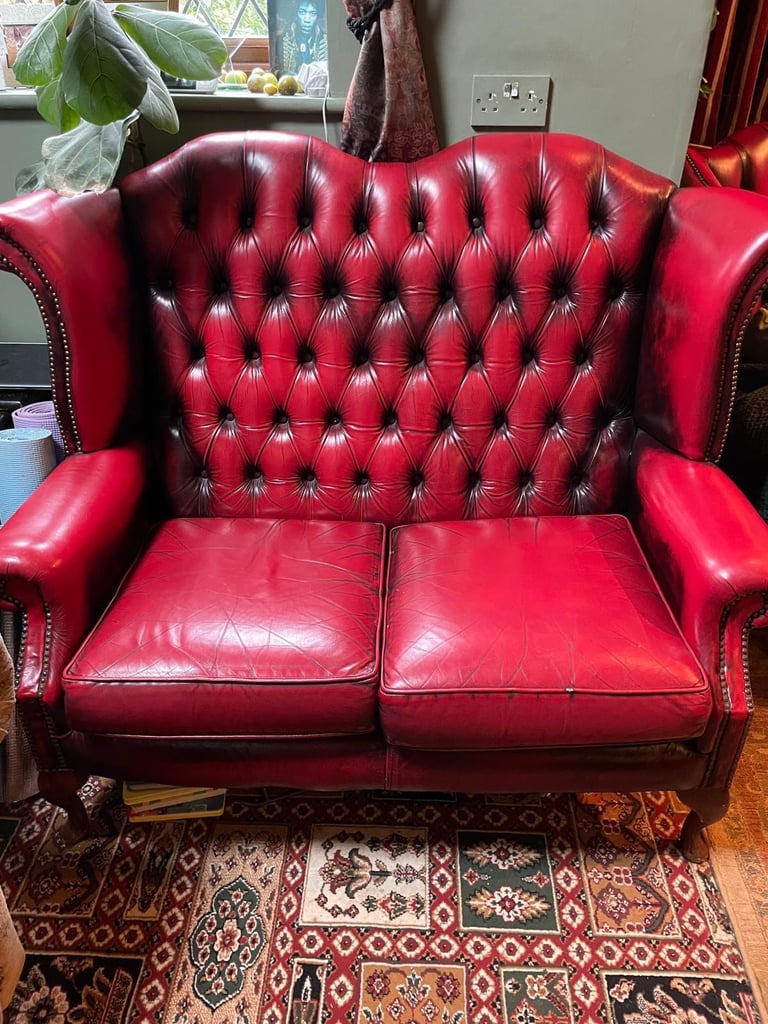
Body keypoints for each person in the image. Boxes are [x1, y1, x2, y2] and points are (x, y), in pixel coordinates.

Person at [279, 1, 328, 76]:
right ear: (296, 13)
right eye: (302, 12)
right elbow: (277, 70)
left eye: (313, 13)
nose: (307, 19)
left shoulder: (324, 41)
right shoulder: (284, 39)